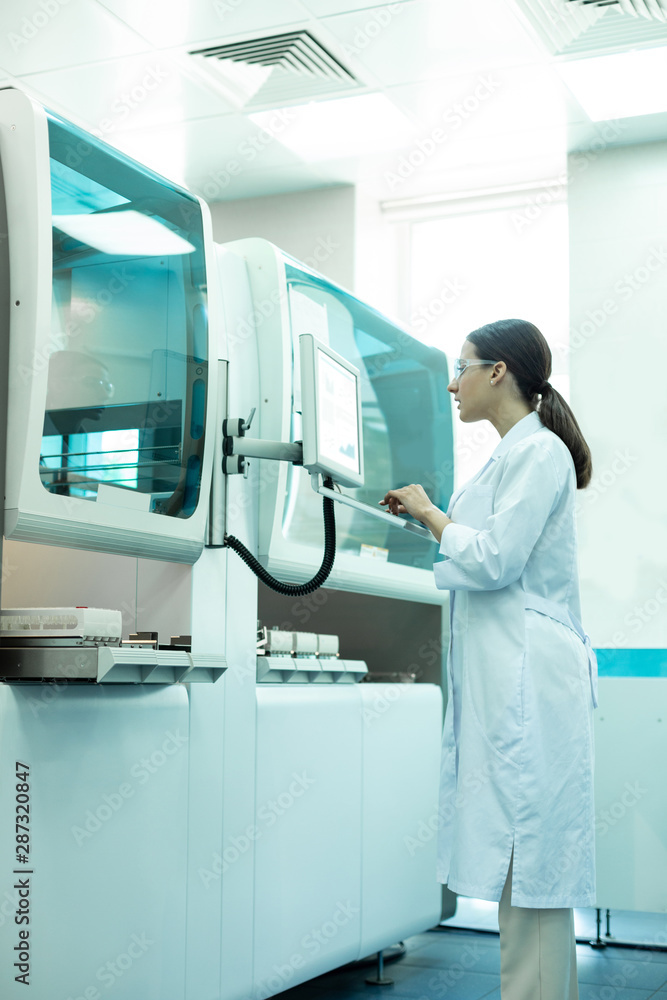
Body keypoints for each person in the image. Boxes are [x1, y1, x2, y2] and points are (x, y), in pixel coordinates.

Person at [380, 318, 597, 1000]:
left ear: (497, 371)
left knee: (530, 858)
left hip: (530, 681)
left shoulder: (539, 454)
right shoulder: (513, 455)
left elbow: (497, 559)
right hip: (509, 679)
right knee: (521, 859)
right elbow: (486, 550)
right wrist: (428, 519)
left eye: (462, 366)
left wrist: (431, 514)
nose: (452, 382)